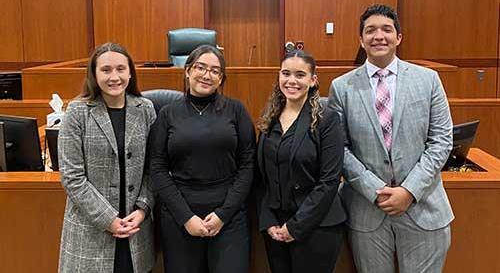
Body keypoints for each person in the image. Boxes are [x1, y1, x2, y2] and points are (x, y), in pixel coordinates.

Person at [329, 4, 454, 273]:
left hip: (424, 207)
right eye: (370, 30)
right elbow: (339, 149)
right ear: (361, 40)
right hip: (368, 210)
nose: (379, 36)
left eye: (387, 29)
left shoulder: (429, 80)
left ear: (399, 37)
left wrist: (409, 191)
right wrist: (376, 191)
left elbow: (442, 140)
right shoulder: (342, 87)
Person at [148, 44, 255, 273]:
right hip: (180, 215)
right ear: (187, 70)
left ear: (221, 78)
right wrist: (186, 217)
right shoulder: (167, 114)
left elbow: (247, 165)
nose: (207, 75)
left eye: (215, 71)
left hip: (229, 214)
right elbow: (157, 167)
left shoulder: (236, 110)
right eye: (201, 67)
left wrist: (223, 215)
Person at [58, 42, 156, 273]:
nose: (114, 77)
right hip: (90, 231)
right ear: (94, 74)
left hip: (136, 231)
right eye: (106, 70)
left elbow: (154, 168)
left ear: (130, 73)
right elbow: (72, 177)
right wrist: (108, 219)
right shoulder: (77, 112)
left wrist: (143, 209)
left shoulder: (145, 109)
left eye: (121, 69)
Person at [256, 49, 346, 273]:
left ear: (313, 80)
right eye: (286, 73)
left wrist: (295, 227)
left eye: (300, 75)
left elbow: (330, 180)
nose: (291, 81)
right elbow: (261, 176)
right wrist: (268, 221)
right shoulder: (270, 117)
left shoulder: (327, 119)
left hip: (317, 226)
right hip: (276, 227)